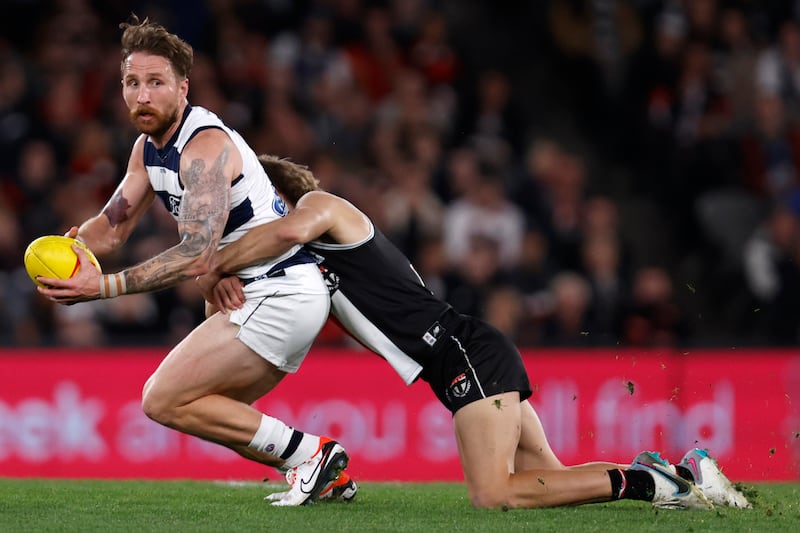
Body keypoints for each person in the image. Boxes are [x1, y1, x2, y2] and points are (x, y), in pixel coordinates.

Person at [198, 155, 751, 509]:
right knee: (551, 483)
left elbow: (290, 228)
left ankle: (654, 485)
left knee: (494, 494)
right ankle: (675, 470)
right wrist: (217, 289)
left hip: (465, 352)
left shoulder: (319, 206)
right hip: (463, 355)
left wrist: (211, 263)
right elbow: (249, 328)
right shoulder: (295, 271)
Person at [35, 16, 348, 506]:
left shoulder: (202, 146)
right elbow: (112, 226)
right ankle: (319, 470)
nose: (142, 96)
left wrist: (103, 288)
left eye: (155, 83)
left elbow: (196, 253)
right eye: (132, 83)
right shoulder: (147, 149)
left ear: (183, 88)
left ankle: (311, 454)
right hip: (260, 292)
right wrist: (69, 251)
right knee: (201, 406)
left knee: (161, 398)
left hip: (280, 291)